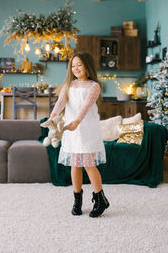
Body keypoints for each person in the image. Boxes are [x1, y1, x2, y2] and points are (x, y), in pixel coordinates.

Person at [49, 52, 109, 217]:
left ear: (87, 66)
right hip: (71, 130)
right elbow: (61, 102)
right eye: (73, 65)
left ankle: (100, 199)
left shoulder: (93, 86)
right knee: (75, 165)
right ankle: (77, 201)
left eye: (79, 65)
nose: (76, 68)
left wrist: (77, 121)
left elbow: (85, 106)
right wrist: (52, 117)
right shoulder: (69, 85)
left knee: (89, 165)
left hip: (86, 130)